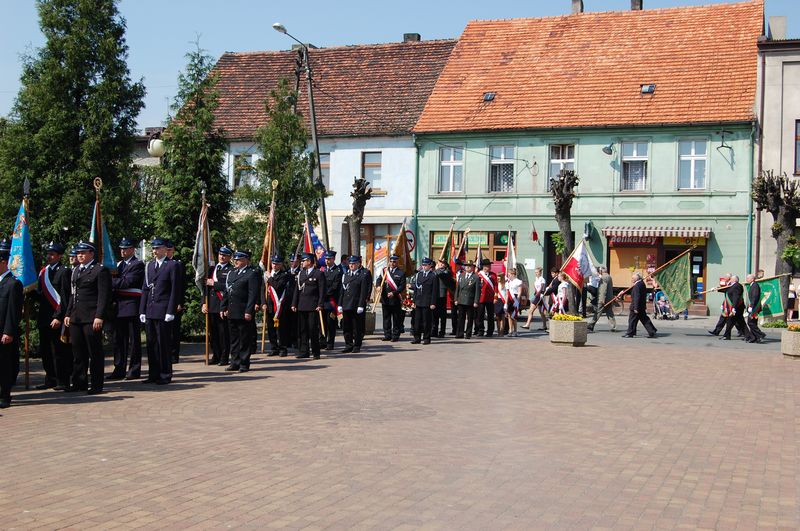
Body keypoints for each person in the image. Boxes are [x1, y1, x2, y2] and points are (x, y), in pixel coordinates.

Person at [65, 241, 112, 394]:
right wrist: (68, 313)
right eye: (78, 253)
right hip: (76, 316)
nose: (80, 255)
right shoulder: (76, 270)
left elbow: (103, 296)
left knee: (94, 352)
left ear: (91, 254)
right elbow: (73, 294)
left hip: (91, 317)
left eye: (83, 253)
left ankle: (97, 384)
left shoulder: (99, 270)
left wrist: (99, 316)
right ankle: (79, 382)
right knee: (78, 352)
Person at [140, 238, 178, 384]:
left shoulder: (172, 265)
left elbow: (174, 290)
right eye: (153, 249)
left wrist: (170, 311)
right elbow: (145, 288)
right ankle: (153, 374)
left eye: (158, 248)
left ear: (165, 249)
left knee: (163, 344)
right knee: (151, 344)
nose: (155, 251)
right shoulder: (149, 265)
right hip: (150, 310)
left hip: (163, 310)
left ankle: (165, 374)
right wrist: (142, 310)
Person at [36, 241, 71, 390]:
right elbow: (40, 295)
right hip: (44, 317)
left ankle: (62, 380)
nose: (49, 257)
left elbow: (64, 297)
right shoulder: (43, 272)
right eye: (48, 254)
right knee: (45, 351)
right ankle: (50, 378)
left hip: (57, 317)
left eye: (52, 254)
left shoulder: (64, 271)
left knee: (59, 351)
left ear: (59, 256)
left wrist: (58, 316)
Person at [109, 238, 144, 380]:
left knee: (134, 340)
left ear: (133, 249)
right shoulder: (117, 265)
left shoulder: (138, 264)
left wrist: (108, 280)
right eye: (121, 248)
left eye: (126, 248)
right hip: (118, 307)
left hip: (131, 306)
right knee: (118, 340)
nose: (123, 251)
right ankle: (119, 368)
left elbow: (127, 282)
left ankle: (134, 369)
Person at [221, 250, 259, 372]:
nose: (236, 261)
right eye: (235, 259)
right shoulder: (232, 273)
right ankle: (235, 362)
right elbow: (227, 292)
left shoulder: (251, 273)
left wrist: (249, 311)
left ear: (246, 260)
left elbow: (252, 295)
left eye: (239, 259)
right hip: (232, 311)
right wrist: (223, 307)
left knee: (244, 339)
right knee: (234, 339)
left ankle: (244, 363)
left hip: (243, 311)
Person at [0, 239, 23, 408]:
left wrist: (8, 331)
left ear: (3, 262)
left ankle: (5, 395)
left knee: (4, 365)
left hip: (3, 332)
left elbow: (13, 311)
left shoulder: (13, 284)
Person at [292, 253, 326, 359]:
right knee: (303, 330)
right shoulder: (301, 274)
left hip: (313, 306)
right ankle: (304, 351)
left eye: (303, 261)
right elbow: (297, 290)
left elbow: (322, 291)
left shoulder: (318, 274)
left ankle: (316, 352)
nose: (301, 263)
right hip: (302, 305)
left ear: (309, 262)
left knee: (312, 329)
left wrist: (320, 304)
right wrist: (294, 303)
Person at [202, 246, 233, 365]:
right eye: (220, 254)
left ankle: (224, 357)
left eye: (224, 255)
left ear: (229, 257)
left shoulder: (231, 270)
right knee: (213, 334)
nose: (221, 256)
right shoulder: (211, 269)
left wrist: (214, 283)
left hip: (222, 305)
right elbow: (205, 289)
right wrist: (204, 303)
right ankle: (216, 355)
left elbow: (229, 286)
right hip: (211, 306)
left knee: (223, 334)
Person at [339, 255, 372, 353]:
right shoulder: (345, 275)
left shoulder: (362, 275)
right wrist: (340, 304)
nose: (351, 265)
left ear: (358, 264)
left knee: (357, 327)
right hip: (346, 304)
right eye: (350, 264)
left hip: (356, 305)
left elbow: (363, 292)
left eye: (353, 264)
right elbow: (342, 291)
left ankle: (357, 345)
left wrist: (361, 305)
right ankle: (348, 344)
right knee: (346, 327)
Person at [264, 255, 291, 357]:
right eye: (273, 263)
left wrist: (270, 278)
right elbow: (263, 290)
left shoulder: (284, 275)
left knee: (281, 330)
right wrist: (263, 303)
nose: (274, 265)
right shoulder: (268, 274)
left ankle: (283, 348)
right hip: (269, 305)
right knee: (271, 329)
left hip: (279, 306)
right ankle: (273, 348)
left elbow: (278, 286)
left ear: (281, 265)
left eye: (277, 264)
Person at [165, 241, 186, 364]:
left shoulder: (177, 264)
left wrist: (179, 302)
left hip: (174, 301)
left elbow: (180, 285)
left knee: (174, 330)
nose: (168, 252)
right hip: (163, 302)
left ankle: (174, 355)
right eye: (166, 249)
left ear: (173, 250)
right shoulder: (161, 264)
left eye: (170, 249)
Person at [410, 257, 439, 344]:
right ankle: (417, 338)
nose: (424, 267)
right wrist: (414, 301)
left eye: (425, 265)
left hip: (427, 302)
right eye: (423, 265)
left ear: (430, 266)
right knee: (417, 321)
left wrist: (433, 303)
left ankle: (426, 338)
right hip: (418, 301)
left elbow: (435, 291)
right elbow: (416, 290)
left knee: (426, 321)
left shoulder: (433, 276)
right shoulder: (419, 275)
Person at [378, 255, 407, 342]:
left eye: (394, 262)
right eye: (391, 261)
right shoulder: (384, 271)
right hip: (385, 299)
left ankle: (395, 335)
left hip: (395, 299)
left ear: (397, 263)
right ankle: (387, 335)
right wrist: (378, 286)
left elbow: (402, 286)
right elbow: (379, 279)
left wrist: (394, 293)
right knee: (386, 318)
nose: (392, 263)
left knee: (396, 318)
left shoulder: (401, 273)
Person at [623, 272, 657, 338]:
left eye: (633, 278)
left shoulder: (637, 285)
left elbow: (636, 297)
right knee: (644, 319)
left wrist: (635, 308)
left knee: (632, 320)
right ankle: (652, 331)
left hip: (637, 306)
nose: (631, 279)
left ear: (636, 278)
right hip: (641, 305)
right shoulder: (641, 283)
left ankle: (630, 333)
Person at [455, 260, 481, 339]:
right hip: (461, 299)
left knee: (470, 318)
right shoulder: (461, 276)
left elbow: (477, 290)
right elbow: (458, 288)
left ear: (473, 267)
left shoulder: (476, 277)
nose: (467, 267)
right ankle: (459, 333)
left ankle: (468, 334)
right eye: (466, 266)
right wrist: (456, 299)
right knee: (460, 318)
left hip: (470, 300)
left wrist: (476, 301)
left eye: (469, 266)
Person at [587, 266, 616, 332]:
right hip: (609, 298)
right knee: (609, 312)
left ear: (601, 271)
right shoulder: (609, 276)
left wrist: (602, 299)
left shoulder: (604, 278)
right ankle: (613, 326)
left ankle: (591, 324)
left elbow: (603, 289)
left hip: (603, 298)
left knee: (598, 311)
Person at [323, 251, 342, 350]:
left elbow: (335, 287)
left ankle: (330, 343)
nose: (327, 261)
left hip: (332, 302)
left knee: (331, 323)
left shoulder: (337, 271)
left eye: (329, 259)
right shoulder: (322, 270)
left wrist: (323, 294)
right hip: (322, 302)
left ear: (333, 259)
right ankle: (322, 341)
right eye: (326, 259)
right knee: (322, 322)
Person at [432, 259, 454, 338]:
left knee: (442, 315)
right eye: (440, 262)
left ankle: (442, 331)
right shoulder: (435, 271)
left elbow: (441, 275)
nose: (441, 264)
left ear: (445, 265)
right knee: (435, 315)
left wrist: (436, 269)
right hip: (435, 295)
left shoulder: (446, 271)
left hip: (442, 295)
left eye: (443, 263)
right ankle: (434, 330)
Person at [475, 259, 498, 337]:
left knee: (490, 316)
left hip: (490, 298)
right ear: (484, 267)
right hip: (481, 298)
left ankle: (490, 331)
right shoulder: (478, 274)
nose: (489, 267)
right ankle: (480, 331)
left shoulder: (493, 275)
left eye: (489, 266)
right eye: (488, 266)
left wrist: (495, 297)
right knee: (480, 315)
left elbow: (496, 287)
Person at [721, 275, 746, 341]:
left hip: (737, 308)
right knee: (737, 322)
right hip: (735, 307)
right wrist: (716, 289)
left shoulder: (737, 286)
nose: (730, 280)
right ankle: (748, 336)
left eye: (731, 279)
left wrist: (734, 308)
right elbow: (727, 290)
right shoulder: (733, 286)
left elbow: (736, 297)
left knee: (733, 322)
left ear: (735, 280)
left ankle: (727, 336)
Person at [745, 273, 766, 344]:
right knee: (753, 322)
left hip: (754, 307)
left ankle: (760, 334)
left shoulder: (755, 285)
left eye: (748, 278)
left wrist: (751, 306)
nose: (747, 279)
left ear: (752, 279)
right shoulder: (751, 285)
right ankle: (754, 338)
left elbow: (755, 297)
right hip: (753, 306)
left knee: (750, 322)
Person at [506, 268, 523, 337]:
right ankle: (510, 330)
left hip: (515, 298)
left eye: (509, 274)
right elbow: (507, 293)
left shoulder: (518, 281)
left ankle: (515, 331)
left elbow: (519, 292)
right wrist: (505, 303)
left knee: (514, 316)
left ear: (513, 274)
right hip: (509, 299)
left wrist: (517, 301)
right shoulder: (508, 282)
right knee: (509, 315)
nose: (508, 276)